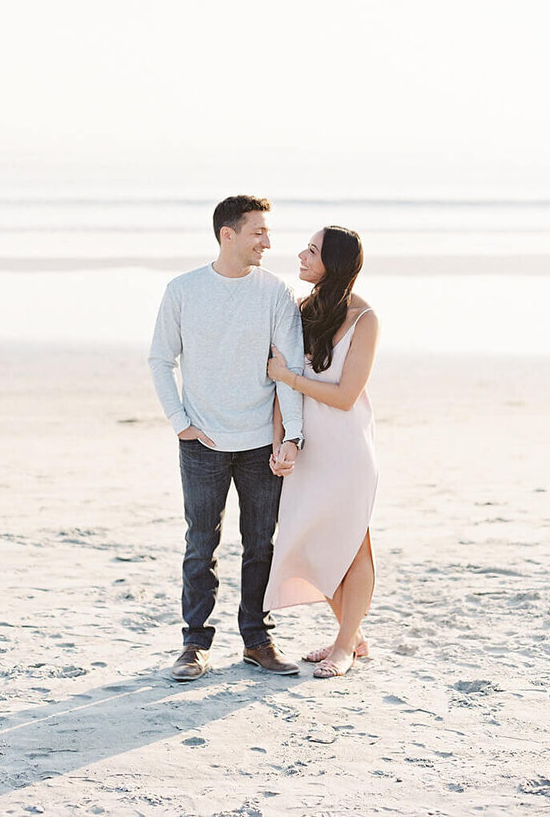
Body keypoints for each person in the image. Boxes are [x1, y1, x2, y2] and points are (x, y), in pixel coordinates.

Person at [149, 195, 305, 681]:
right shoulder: (183, 290)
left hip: (261, 443)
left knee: (261, 545)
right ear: (228, 234)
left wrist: (292, 437)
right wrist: (180, 422)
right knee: (201, 544)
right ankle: (194, 645)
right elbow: (160, 359)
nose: (267, 241)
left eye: (268, 232)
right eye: (258, 231)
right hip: (203, 444)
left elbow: (289, 370)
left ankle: (257, 640)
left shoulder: (275, 292)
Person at [264, 225, 378, 679]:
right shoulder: (300, 310)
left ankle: (346, 646)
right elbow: (279, 389)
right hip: (308, 451)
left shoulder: (365, 319)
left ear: (334, 262)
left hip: (348, 449)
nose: (302, 255)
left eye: (312, 251)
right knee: (310, 544)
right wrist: (282, 441)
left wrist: (289, 377)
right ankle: (352, 635)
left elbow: (346, 395)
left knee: (352, 545)